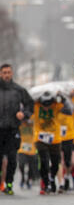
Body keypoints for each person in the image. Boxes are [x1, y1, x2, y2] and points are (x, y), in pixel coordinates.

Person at [0, 64, 34, 195]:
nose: (6, 75)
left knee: (12, 159)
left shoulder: (19, 90)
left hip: (13, 129)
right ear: (0, 74)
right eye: (4, 72)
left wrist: (24, 114)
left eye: (8, 72)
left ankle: (9, 183)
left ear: (12, 73)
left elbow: (30, 105)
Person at [34, 91, 73, 194]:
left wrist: (63, 97)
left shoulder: (56, 105)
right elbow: (26, 109)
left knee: (56, 163)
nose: (46, 107)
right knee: (44, 161)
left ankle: (52, 177)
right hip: (40, 138)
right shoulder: (36, 105)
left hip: (55, 139)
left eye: (48, 105)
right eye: (44, 105)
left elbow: (69, 110)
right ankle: (46, 184)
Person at [57, 109, 74, 193]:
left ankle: (67, 176)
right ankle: (61, 183)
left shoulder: (69, 106)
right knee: (60, 161)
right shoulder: (54, 105)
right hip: (57, 137)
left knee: (67, 162)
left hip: (69, 137)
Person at [17, 115, 38, 189]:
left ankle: (29, 179)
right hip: (22, 147)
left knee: (31, 166)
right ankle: (23, 177)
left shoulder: (33, 117)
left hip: (32, 147)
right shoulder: (20, 120)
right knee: (21, 164)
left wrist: (30, 121)